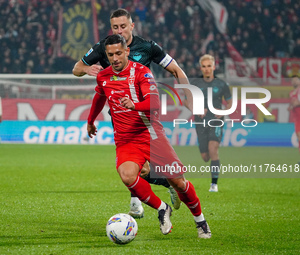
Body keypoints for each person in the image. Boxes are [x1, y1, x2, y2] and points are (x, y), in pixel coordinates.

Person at [87, 34, 211, 238]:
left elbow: (154, 103)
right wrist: (90, 121)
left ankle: (200, 221)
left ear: (127, 51)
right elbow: (100, 96)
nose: (115, 58)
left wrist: (133, 105)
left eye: (119, 53)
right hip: (125, 139)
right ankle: (162, 208)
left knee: (178, 182)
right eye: (110, 55)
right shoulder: (104, 76)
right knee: (127, 175)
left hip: (150, 135)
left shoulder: (141, 73)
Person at [73, 8, 193, 217]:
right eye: (115, 27)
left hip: (145, 115)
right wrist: (86, 69)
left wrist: (189, 95)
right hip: (120, 116)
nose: (120, 30)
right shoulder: (104, 47)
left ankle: (145, 197)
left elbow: (176, 69)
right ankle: (154, 191)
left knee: (141, 168)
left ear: (132, 26)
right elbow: (77, 68)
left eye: (123, 26)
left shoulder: (147, 47)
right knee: (135, 168)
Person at [187, 54, 232, 192]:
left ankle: (214, 184)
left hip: (216, 120)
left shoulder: (222, 84)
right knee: (205, 157)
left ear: (214, 67)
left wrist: (223, 111)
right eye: (204, 66)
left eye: (209, 66)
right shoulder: (195, 84)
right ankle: (213, 179)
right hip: (200, 122)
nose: (207, 69)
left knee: (213, 149)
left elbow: (230, 102)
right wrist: (196, 109)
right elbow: (186, 101)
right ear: (201, 68)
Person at [288, 76, 300, 161]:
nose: (294, 81)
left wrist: (297, 103)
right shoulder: (292, 93)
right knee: (298, 136)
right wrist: (291, 106)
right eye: (293, 80)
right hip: (296, 117)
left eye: (296, 80)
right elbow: (293, 103)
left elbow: (297, 102)